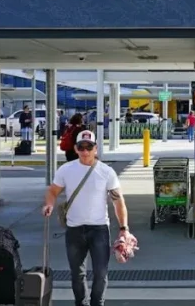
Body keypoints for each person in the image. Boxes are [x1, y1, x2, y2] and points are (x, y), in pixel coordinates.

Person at [43, 130, 131, 306]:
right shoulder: (66, 170)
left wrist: (124, 229)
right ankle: (81, 303)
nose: (85, 152)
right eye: (81, 147)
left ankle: (97, 303)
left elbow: (117, 201)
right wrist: (49, 204)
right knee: (77, 273)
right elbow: (53, 191)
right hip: (74, 229)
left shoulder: (106, 172)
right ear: (75, 149)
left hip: (99, 229)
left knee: (101, 272)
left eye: (89, 147)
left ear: (96, 148)